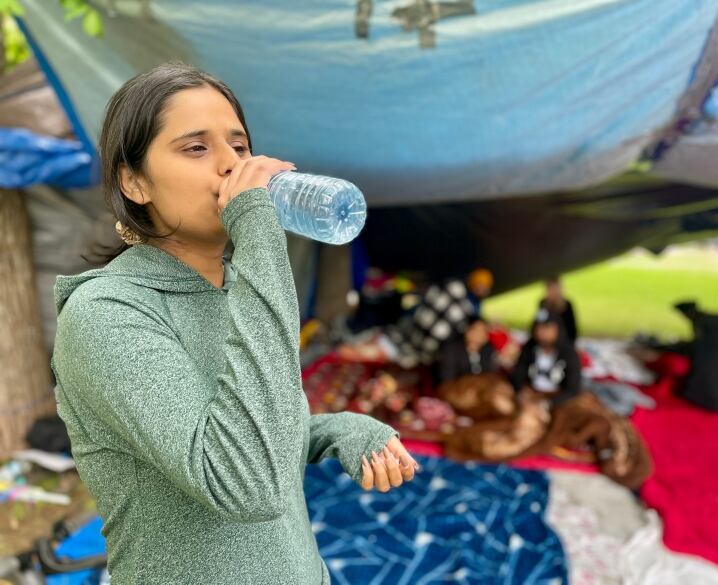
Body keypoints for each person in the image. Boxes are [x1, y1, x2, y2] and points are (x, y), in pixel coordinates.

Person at [50, 63, 419, 585]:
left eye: (240, 147)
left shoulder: (236, 289)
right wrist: (259, 237)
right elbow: (244, 481)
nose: (232, 166)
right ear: (134, 182)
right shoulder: (107, 315)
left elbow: (253, 423)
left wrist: (337, 429)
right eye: (196, 148)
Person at [512, 308, 582, 406]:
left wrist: (550, 403)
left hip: (558, 398)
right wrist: (521, 390)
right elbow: (518, 375)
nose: (542, 332)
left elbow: (573, 388)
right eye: (539, 327)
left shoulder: (568, 352)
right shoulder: (529, 349)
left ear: (557, 329)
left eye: (547, 327)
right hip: (533, 394)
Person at [438, 316, 499, 382]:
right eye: (475, 330)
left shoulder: (488, 350)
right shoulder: (451, 350)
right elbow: (447, 378)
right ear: (467, 330)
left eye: (483, 332)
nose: (478, 335)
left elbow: (490, 375)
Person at [539, 275, 578, 342]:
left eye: (554, 288)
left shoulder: (567, 305)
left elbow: (572, 331)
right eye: (549, 289)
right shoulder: (543, 304)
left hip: (563, 341)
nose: (552, 292)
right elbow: (538, 323)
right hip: (545, 340)